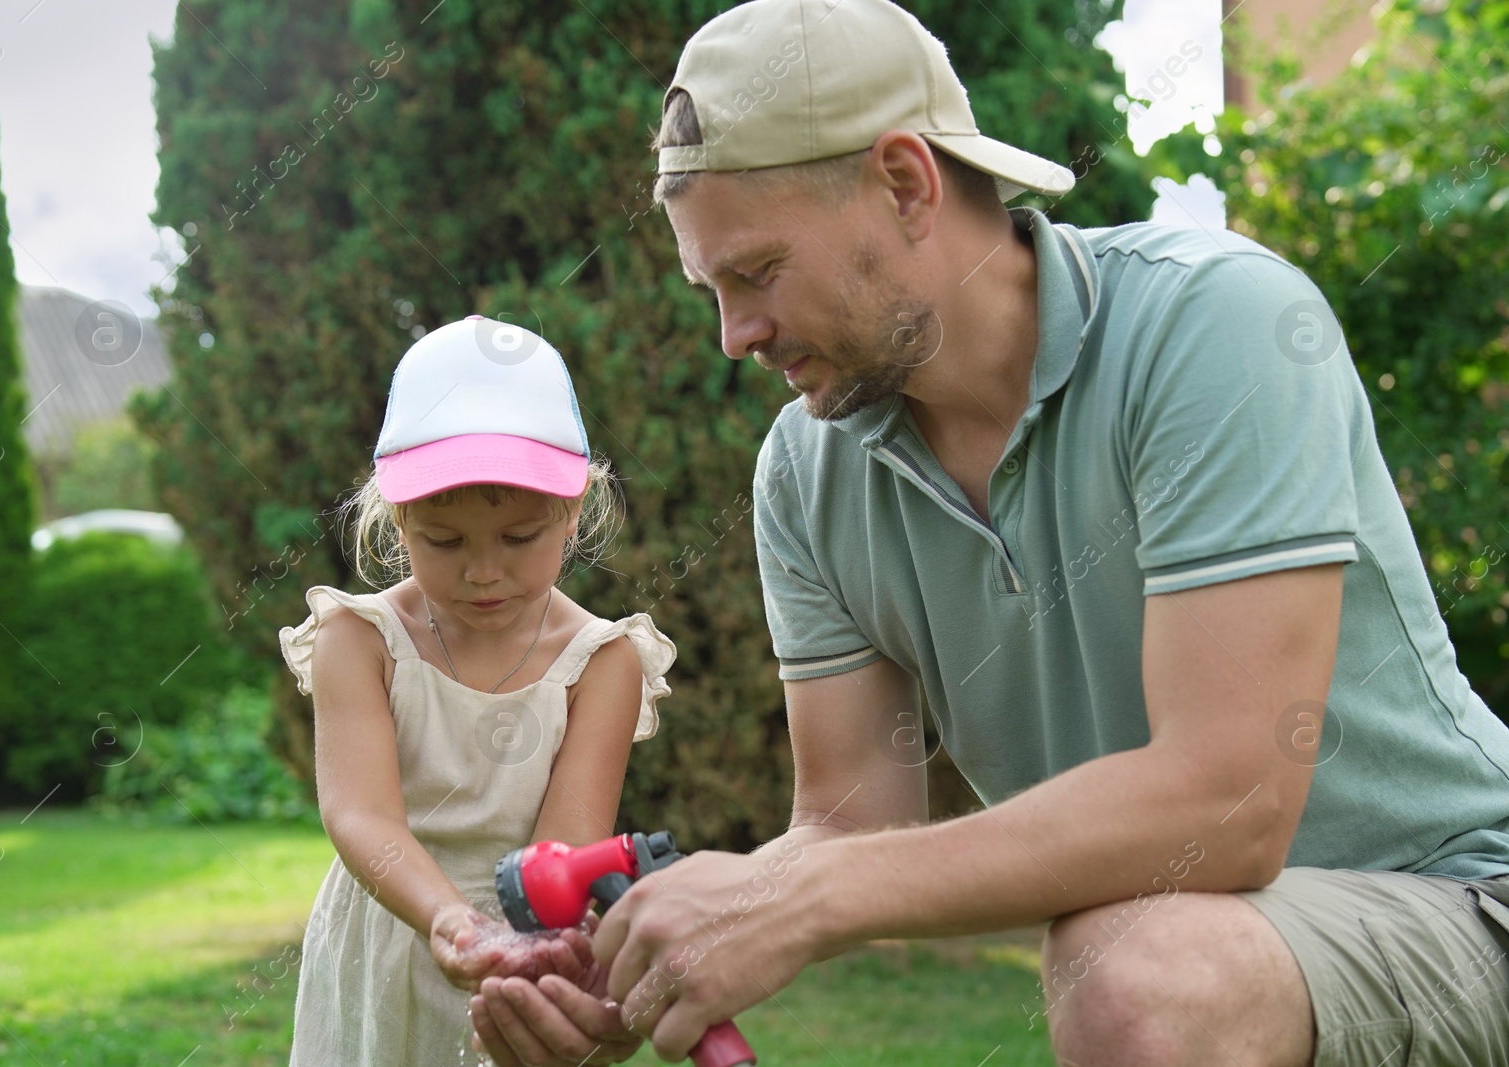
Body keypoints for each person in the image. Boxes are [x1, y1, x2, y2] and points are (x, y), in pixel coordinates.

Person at [468, 1, 1509, 1065]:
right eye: (711, 288)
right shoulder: (805, 469)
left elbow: (1229, 801)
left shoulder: (1215, 327)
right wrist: (657, 952)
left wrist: (809, 892)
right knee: (1137, 957)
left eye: (757, 272)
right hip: (1237, 947)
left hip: (1456, 898)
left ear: (906, 182)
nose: (735, 336)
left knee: (1137, 972)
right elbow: (852, 832)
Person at [278, 316, 677, 1065]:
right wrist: (451, 921)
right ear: (399, 519)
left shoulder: (604, 660)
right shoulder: (359, 640)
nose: (484, 571)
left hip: (521, 951)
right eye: (445, 540)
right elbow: (361, 813)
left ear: (573, 508)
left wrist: (524, 952)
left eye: (520, 538)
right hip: (391, 934)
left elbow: (558, 851)